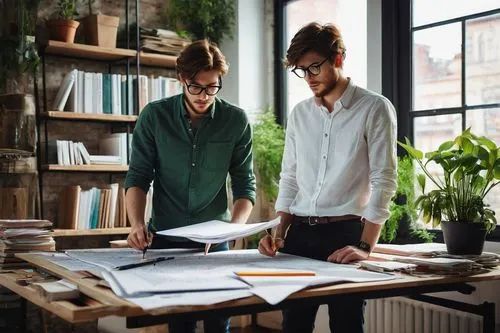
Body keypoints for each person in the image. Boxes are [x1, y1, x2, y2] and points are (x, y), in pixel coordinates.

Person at [258, 22, 397, 333]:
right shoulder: (299, 114)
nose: (308, 78)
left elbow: (384, 180)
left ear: (338, 58)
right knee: (294, 326)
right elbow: (290, 178)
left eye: (314, 67)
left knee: (347, 326)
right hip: (298, 236)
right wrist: (279, 232)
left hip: (345, 235)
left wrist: (365, 245)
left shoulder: (375, 108)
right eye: (301, 70)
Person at [125, 39, 256, 333]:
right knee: (179, 323)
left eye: (212, 87)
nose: (203, 96)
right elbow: (138, 176)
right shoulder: (154, 116)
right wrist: (135, 224)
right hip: (166, 238)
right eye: (195, 86)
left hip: (215, 243)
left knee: (218, 321)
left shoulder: (235, 120)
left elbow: (245, 184)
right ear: (181, 79)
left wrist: (234, 227)